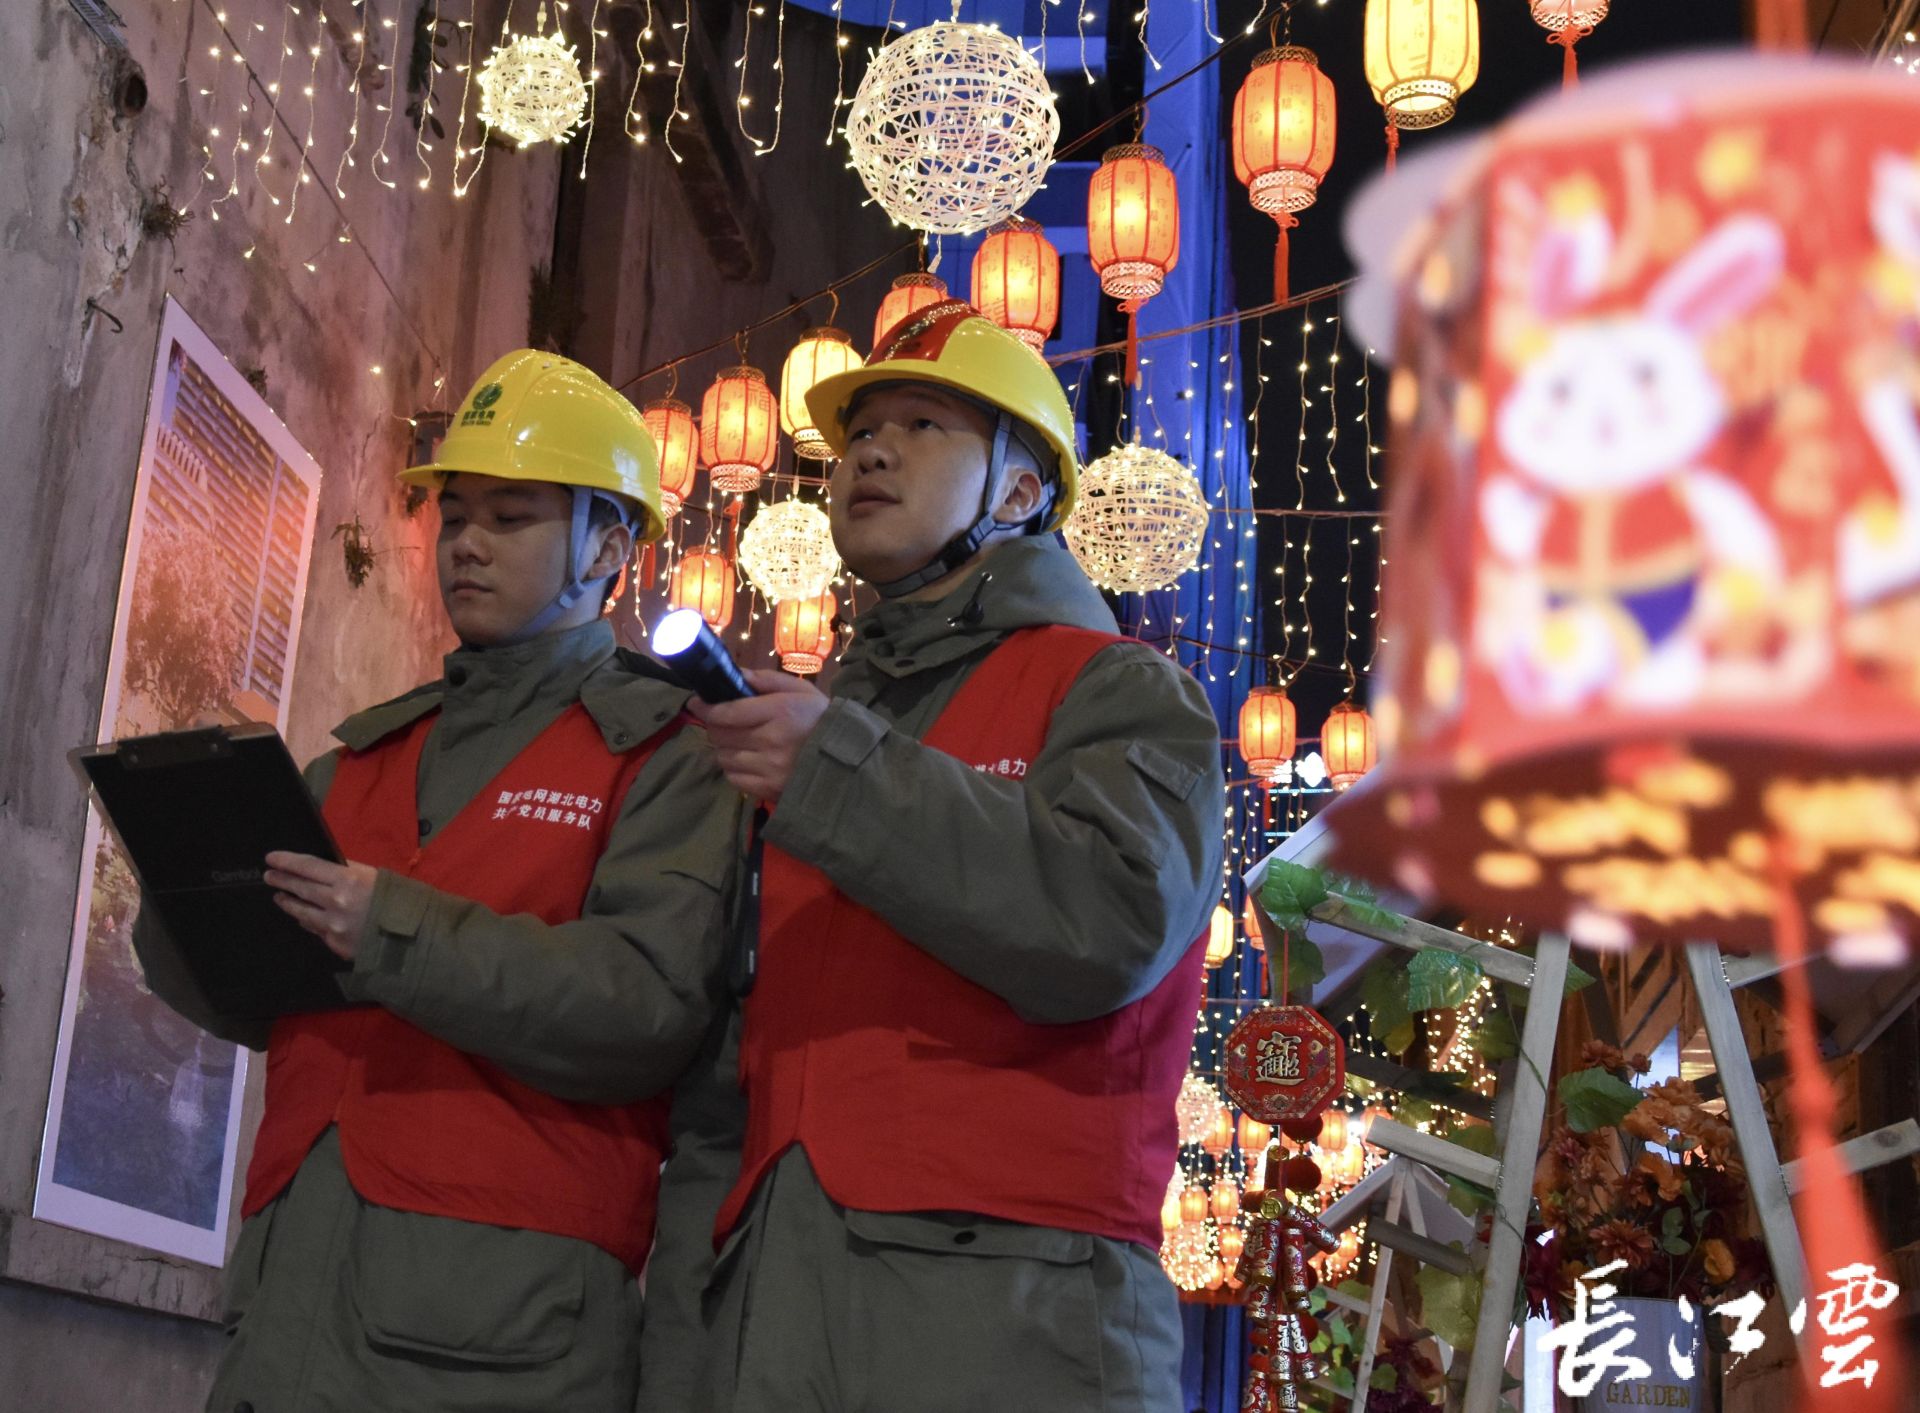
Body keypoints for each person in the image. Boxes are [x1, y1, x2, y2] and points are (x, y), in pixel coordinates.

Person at [132, 350, 740, 1413]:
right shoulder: (355, 763)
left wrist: (392, 930)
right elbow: (266, 1006)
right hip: (288, 1317)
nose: (466, 542)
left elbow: (646, 1004)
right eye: (455, 514)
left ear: (609, 546)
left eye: (510, 517)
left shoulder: (668, 759)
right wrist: (188, 897)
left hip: (499, 1344)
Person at [646, 302, 1226, 1412]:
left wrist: (835, 772)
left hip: (1012, 1335)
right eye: (862, 432)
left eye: (922, 425)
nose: (870, 452)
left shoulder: (1119, 691)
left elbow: (1110, 919)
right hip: (773, 1319)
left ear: (1018, 492)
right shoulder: (819, 727)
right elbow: (730, 1081)